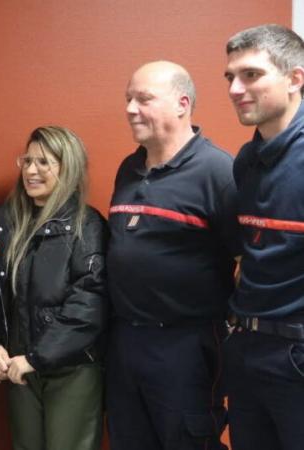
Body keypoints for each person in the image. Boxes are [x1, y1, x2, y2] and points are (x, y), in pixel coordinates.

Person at [106, 61, 238, 450]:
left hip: (187, 347)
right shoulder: (128, 169)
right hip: (126, 340)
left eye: (143, 99)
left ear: (182, 104)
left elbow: (249, 260)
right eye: (128, 99)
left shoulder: (219, 171)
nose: (130, 109)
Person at [0, 126, 107, 450]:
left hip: (72, 370)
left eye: (44, 162)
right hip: (18, 370)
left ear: (69, 167)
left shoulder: (87, 225)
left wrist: (38, 357)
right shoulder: (5, 221)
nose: (31, 171)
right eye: (27, 160)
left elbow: (89, 304)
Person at [223, 24, 304, 450]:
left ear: (295, 79)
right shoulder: (247, 159)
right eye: (230, 77)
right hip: (246, 348)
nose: (236, 88)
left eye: (251, 74)